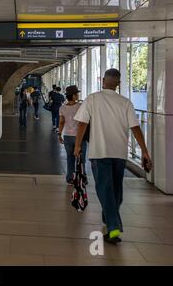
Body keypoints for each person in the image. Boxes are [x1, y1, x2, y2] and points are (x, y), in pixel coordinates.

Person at [73, 68, 152, 244]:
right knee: (116, 191)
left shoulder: (92, 99)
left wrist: (78, 146)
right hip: (120, 153)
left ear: (103, 80)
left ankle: (113, 226)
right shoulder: (126, 103)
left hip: (99, 152)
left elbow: (82, 124)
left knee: (105, 189)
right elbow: (136, 128)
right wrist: (145, 151)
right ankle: (111, 223)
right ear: (118, 83)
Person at [58, 85, 87, 185]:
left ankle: (70, 178)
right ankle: (82, 178)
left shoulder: (62, 108)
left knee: (70, 158)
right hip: (79, 136)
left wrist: (59, 134)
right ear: (73, 96)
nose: (78, 95)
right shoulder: (80, 107)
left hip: (67, 136)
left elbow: (61, 122)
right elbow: (83, 122)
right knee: (81, 159)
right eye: (77, 94)